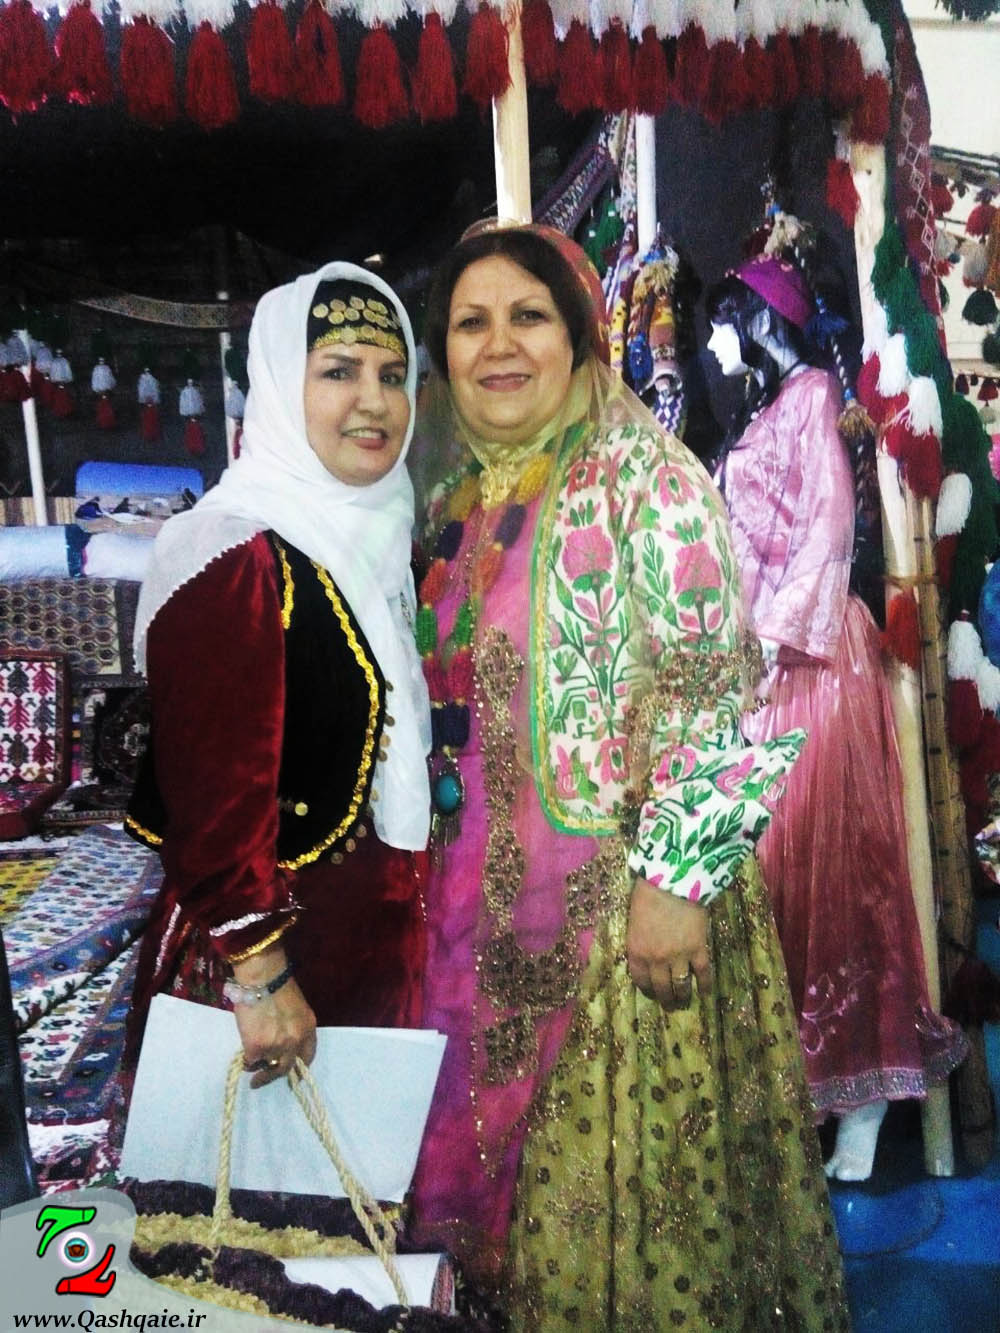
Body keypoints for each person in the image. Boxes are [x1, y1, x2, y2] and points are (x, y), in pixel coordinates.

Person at [407, 221, 850, 1330]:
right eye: (470, 322)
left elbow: (717, 684)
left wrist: (676, 885)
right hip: (475, 921)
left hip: (626, 924)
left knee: (625, 1239)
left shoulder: (644, 475)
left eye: (528, 316)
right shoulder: (454, 501)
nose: (498, 345)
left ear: (579, 336)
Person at [124, 262, 431, 1086]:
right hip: (270, 974)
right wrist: (259, 973)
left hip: (373, 948)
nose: (373, 401)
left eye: (392, 375)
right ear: (277, 383)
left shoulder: (386, 541)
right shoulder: (233, 554)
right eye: (338, 371)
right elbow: (213, 798)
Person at [705, 255, 967, 1180]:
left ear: (758, 320)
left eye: (722, 320)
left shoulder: (813, 396)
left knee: (831, 880)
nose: (710, 343)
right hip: (767, 663)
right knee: (780, 882)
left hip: (810, 660)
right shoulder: (771, 408)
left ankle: (859, 1101)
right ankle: (812, 1092)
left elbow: (826, 528)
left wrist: (770, 640)